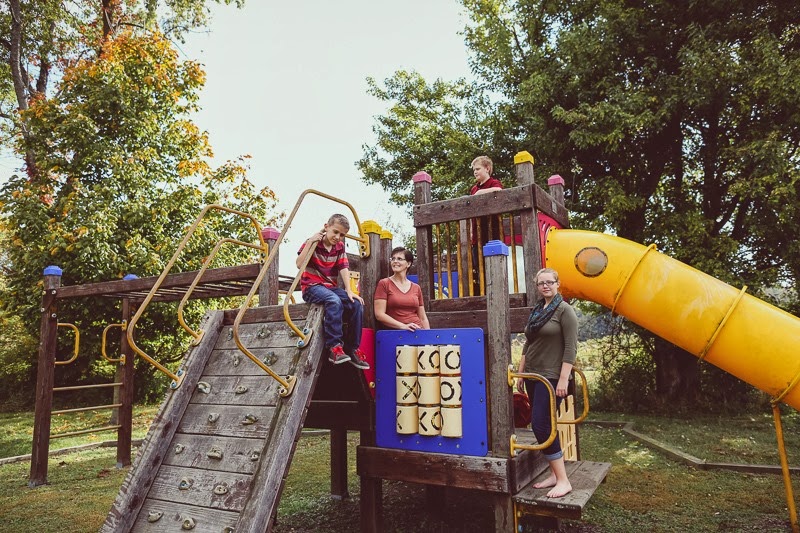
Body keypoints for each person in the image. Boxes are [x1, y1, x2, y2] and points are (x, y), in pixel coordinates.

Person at [515, 268, 578, 498]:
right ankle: (554, 474)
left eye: (550, 282)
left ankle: (563, 480)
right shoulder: (537, 310)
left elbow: (571, 347)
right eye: (541, 283)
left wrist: (563, 379)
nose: (545, 286)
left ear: (558, 283)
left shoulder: (565, 311)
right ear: (537, 286)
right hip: (533, 376)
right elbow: (528, 343)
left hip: (551, 377)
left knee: (541, 425)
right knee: (544, 425)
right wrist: (521, 373)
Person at [297, 213, 370, 369]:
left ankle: (352, 348)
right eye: (335, 232)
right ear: (326, 227)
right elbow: (299, 264)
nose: (338, 237)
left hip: (330, 288)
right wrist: (311, 242)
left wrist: (349, 291)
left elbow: (343, 267)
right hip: (311, 287)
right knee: (333, 301)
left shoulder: (339, 247)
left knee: (356, 304)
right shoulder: (313, 242)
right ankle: (334, 347)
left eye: (342, 235)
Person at [469, 155, 504, 294]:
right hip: (477, 235)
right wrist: (471, 232)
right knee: (479, 267)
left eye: (478, 169)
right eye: (474, 170)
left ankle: (496, 293)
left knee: (494, 265)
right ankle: (484, 294)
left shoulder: (493, 183)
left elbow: (499, 191)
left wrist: (481, 193)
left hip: (491, 232)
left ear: (487, 168)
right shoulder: (473, 189)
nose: (475, 172)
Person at [374, 247, 430, 331]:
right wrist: (403, 326)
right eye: (393, 259)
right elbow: (379, 314)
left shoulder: (416, 287)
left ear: (408, 264)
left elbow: (423, 318)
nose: (395, 261)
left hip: (418, 331)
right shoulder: (384, 284)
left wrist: (428, 335)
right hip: (397, 332)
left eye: (399, 259)